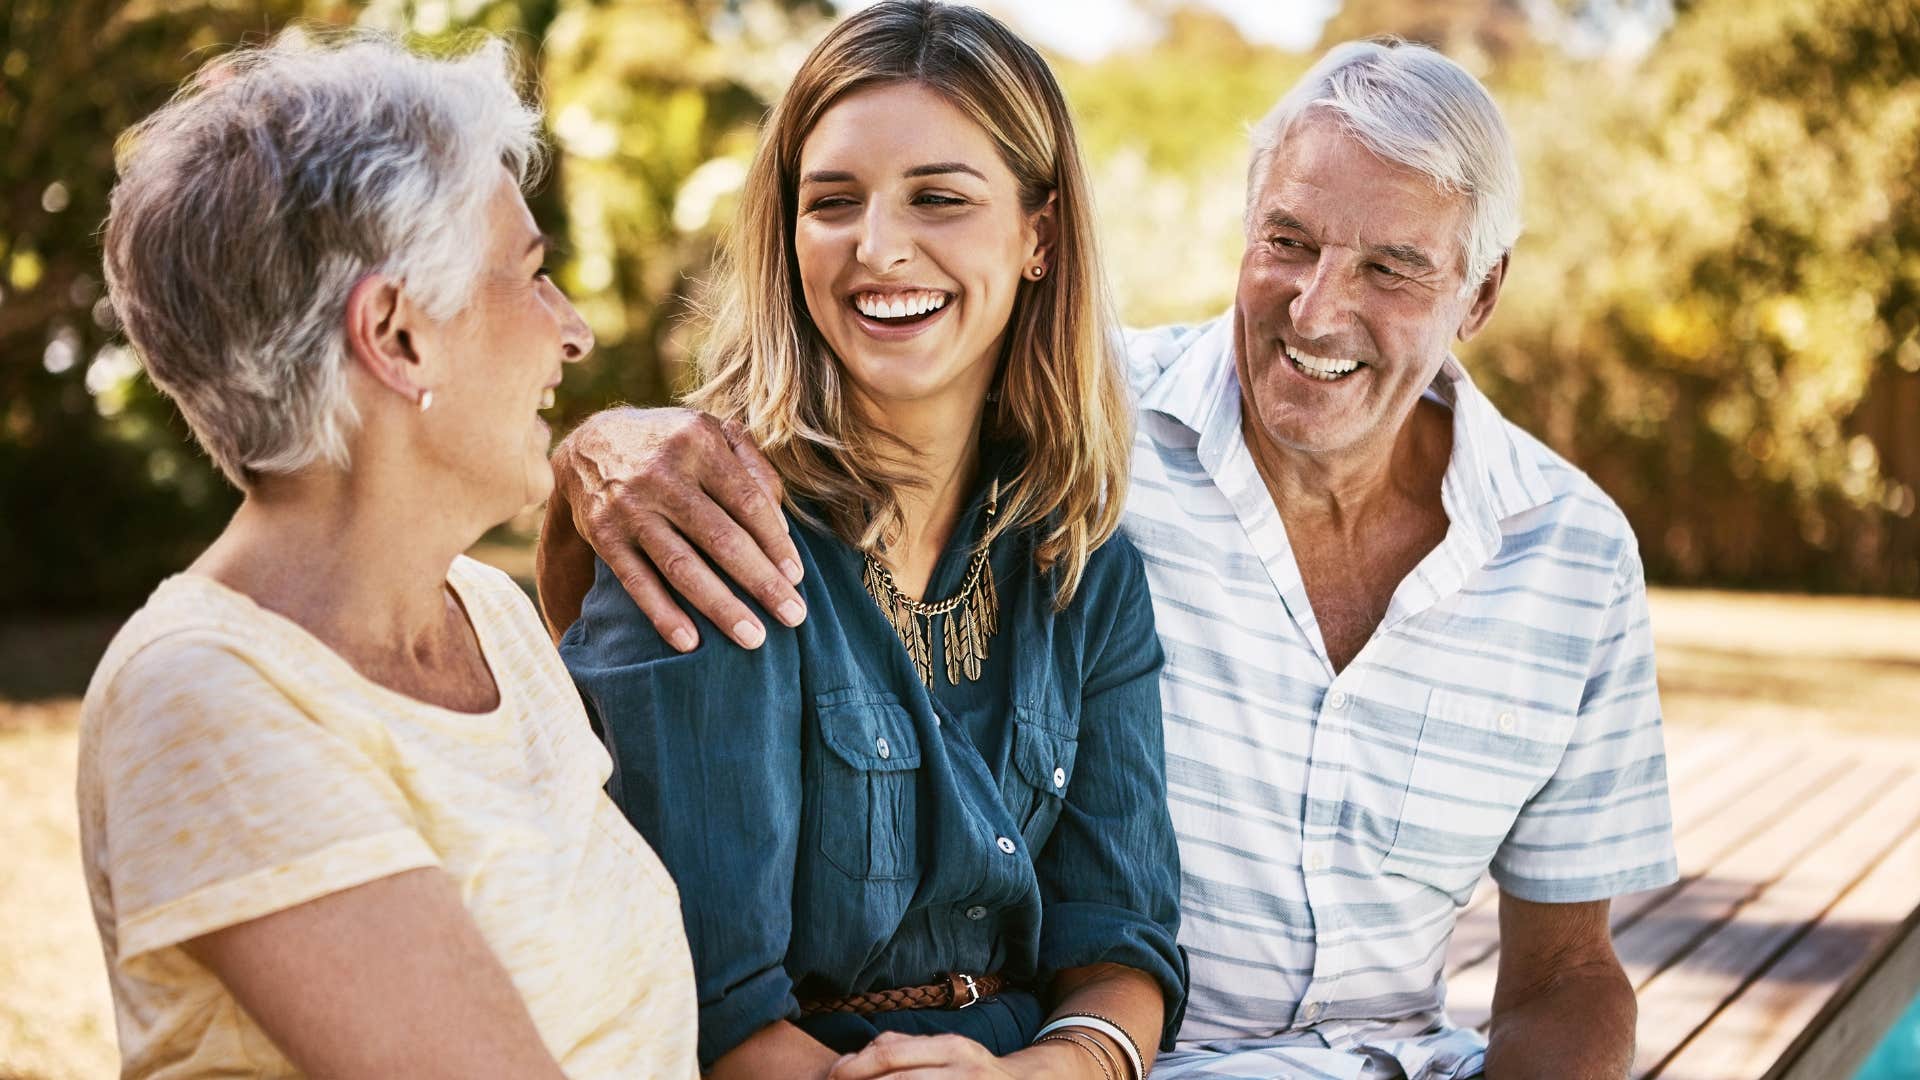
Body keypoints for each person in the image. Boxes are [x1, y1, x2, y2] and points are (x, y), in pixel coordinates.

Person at [542, 35, 1680, 1080]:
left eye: (1393, 269)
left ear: (1482, 292)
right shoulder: (1076, 442)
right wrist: (595, 445)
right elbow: (702, 998)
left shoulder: (1566, 554)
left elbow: (1567, 973)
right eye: (1287, 242)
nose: (1319, 309)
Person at [552, 4, 1184, 1079]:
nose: (879, 247)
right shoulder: (710, 519)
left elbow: (1119, 938)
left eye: (939, 198)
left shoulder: (1078, 554)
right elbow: (710, 1013)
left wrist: (1049, 1070)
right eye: (832, 202)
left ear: (1039, 236)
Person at [79, 31, 697, 1078]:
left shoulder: (488, 615)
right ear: (398, 335)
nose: (574, 331)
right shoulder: (206, 696)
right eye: (533, 276)